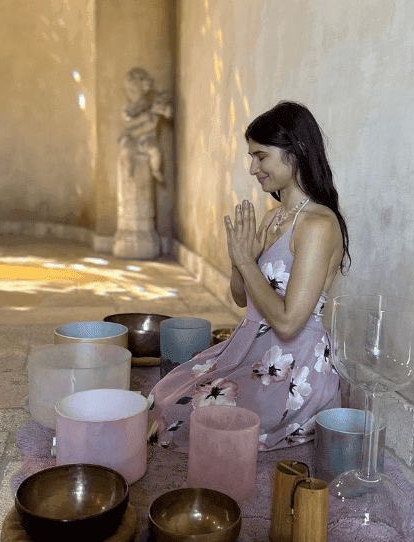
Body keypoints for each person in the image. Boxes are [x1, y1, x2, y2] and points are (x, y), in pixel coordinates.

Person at [147, 101, 351, 451]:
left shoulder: (318, 225)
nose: (254, 168)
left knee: (192, 416)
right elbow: (243, 298)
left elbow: (288, 325)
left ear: (296, 151)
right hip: (253, 346)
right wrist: (237, 261)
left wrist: (247, 263)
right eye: (251, 157)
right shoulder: (274, 218)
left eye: (261, 156)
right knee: (164, 392)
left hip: (294, 368)